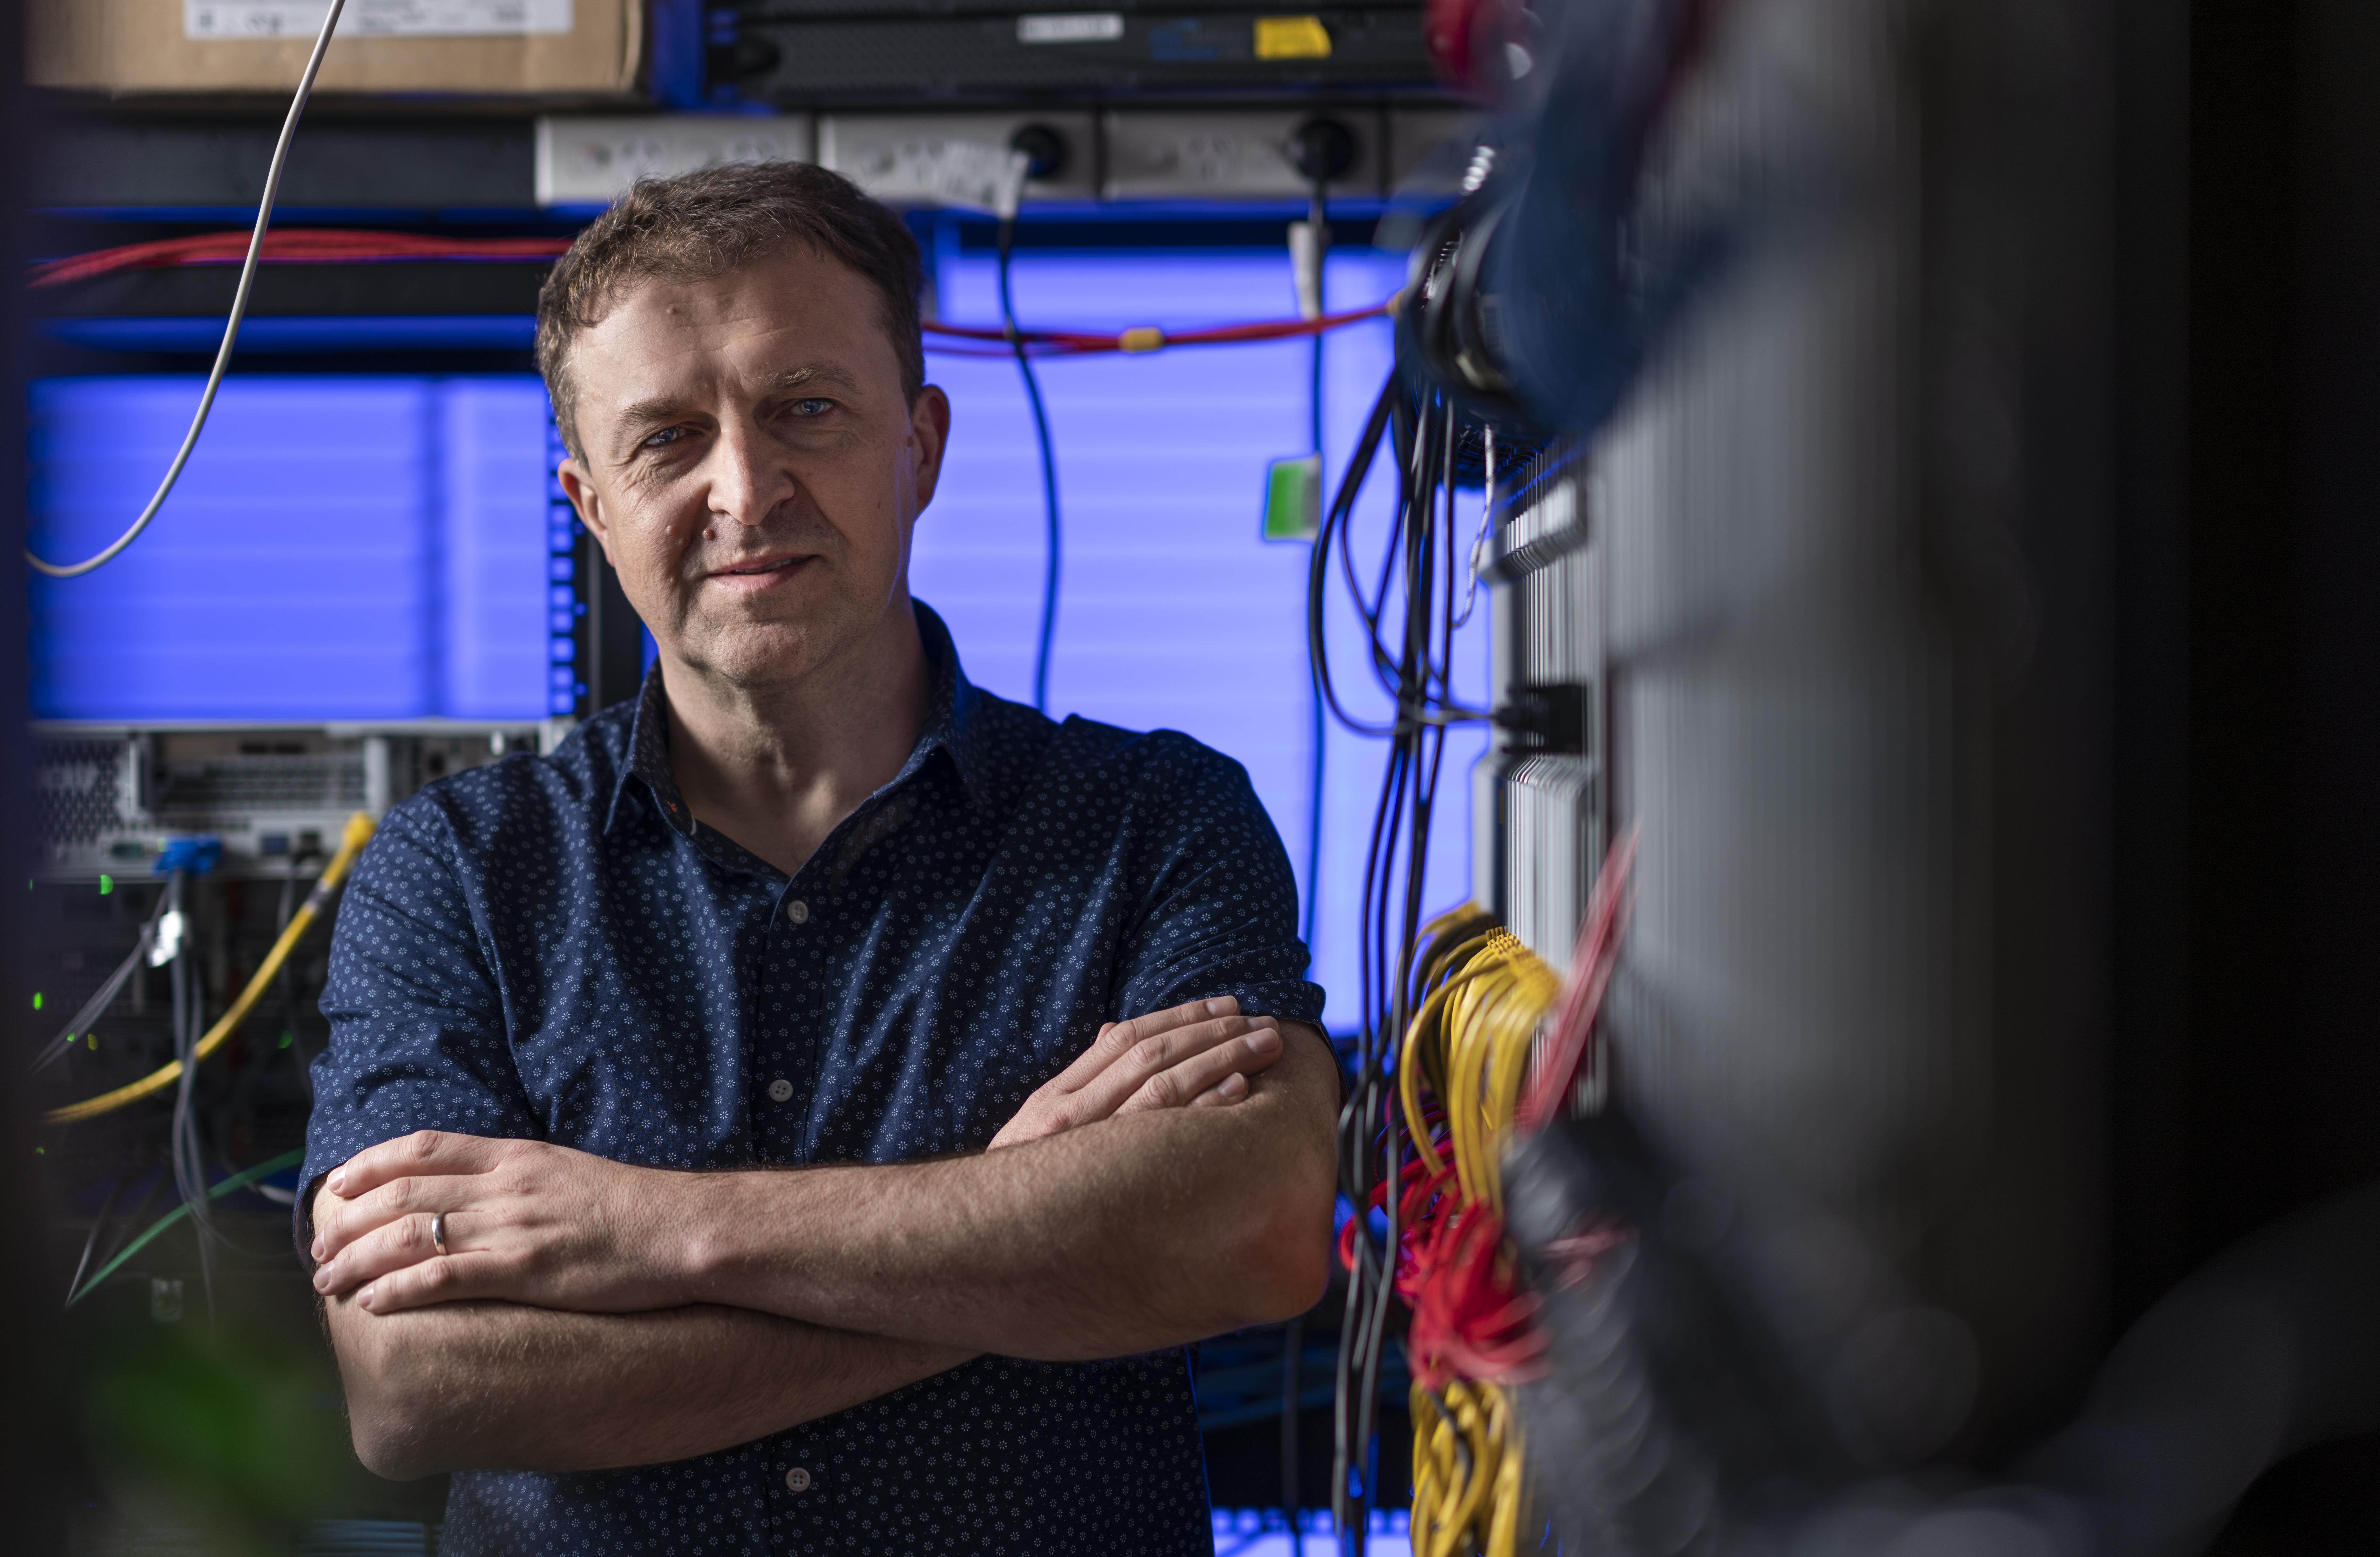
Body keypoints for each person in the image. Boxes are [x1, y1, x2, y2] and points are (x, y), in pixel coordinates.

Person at [299, 161, 1339, 1555]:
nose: (748, 488)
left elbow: (1254, 1231)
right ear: (590, 504)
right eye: (667, 439)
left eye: (806, 409)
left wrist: (646, 1230)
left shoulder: (1155, 822)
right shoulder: (458, 878)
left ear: (920, 444)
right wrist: (1021, 1233)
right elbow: (412, 1388)